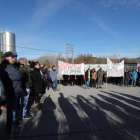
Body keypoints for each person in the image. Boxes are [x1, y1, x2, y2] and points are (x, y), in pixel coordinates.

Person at [0, 51, 23, 134]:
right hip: (11, 91)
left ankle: (12, 123)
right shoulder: (7, 66)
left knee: (13, 110)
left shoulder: (8, 66)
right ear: (7, 58)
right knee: (11, 111)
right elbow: (18, 76)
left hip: (12, 91)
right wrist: (20, 73)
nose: (14, 59)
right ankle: (10, 129)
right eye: (12, 57)